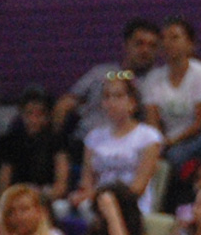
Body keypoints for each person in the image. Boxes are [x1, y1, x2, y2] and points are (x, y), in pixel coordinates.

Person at [140, 16, 201, 178]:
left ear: (190, 44)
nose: (167, 43)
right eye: (163, 39)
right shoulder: (153, 78)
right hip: (168, 142)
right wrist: (158, 144)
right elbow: (153, 122)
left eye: (175, 38)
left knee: (174, 158)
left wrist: (170, 142)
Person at [53, 18, 161, 146]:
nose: (145, 50)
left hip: (124, 147)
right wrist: (57, 144)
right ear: (126, 45)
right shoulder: (100, 73)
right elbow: (66, 103)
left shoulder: (156, 81)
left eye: (152, 46)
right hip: (85, 141)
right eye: (139, 43)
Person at [70, 72, 164, 213]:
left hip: (132, 206)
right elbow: (87, 180)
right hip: (97, 203)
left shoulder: (149, 137)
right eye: (107, 97)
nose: (111, 103)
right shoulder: (93, 137)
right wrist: (85, 195)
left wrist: (103, 198)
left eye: (118, 97)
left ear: (132, 102)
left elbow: (138, 187)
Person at [0, 87, 71, 202]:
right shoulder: (10, 141)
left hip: (47, 199)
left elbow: (61, 187)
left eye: (39, 114)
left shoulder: (58, 142)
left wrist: (39, 196)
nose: (33, 120)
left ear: (48, 115)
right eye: (29, 114)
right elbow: (4, 183)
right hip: (16, 197)